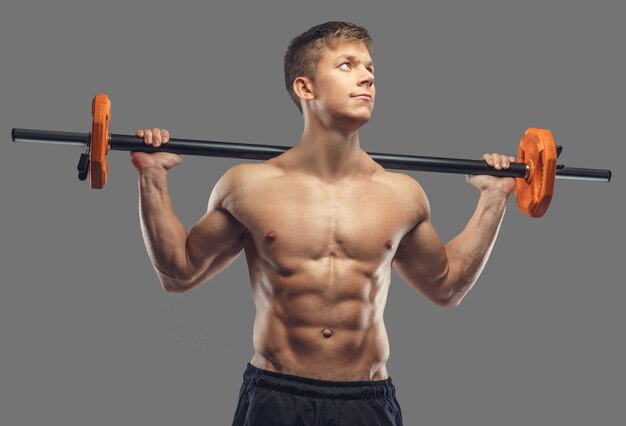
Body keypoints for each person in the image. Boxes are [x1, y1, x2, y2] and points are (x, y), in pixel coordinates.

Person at [130, 21, 516, 426]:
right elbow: (179, 273)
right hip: (276, 396)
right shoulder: (249, 186)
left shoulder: (402, 194)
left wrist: (494, 197)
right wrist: (152, 174)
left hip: (366, 400)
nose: (367, 76)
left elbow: (447, 287)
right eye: (347, 65)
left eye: (370, 69)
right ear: (305, 88)